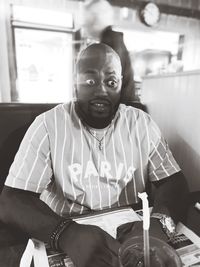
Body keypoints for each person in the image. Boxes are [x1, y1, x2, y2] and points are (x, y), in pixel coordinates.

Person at [0, 43, 189, 267]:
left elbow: (174, 182)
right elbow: (12, 200)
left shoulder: (141, 124)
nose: (101, 90)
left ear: (121, 85)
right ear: (74, 84)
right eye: (90, 81)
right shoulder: (48, 126)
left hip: (130, 240)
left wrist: (157, 227)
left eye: (111, 82)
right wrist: (66, 233)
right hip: (66, 234)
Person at [74, 0, 135, 104]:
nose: (85, 29)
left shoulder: (109, 46)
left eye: (86, 24)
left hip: (117, 110)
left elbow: (106, 86)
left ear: (95, 22)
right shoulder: (113, 41)